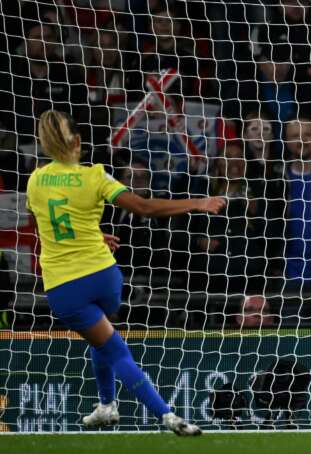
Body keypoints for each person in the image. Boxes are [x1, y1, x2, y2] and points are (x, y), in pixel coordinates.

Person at [27, 110, 224, 435]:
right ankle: (106, 405)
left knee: (114, 349)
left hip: (65, 286)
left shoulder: (35, 180)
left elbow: (49, 223)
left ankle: (168, 416)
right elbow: (144, 207)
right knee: (102, 337)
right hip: (105, 276)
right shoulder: (96, 176)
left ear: (45, 145)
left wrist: (83, 233)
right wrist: (198, 202)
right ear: (78, 141)